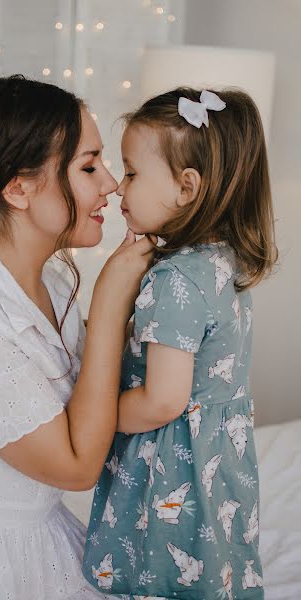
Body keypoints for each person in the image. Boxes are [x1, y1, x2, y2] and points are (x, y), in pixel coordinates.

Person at [0, 74, 155, 599]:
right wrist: (109, 304)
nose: (110, 184)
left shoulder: (54, 282)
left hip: (39, 535)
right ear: (17, 188)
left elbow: (96, 395)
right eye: (88, 166)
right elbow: (77, 466)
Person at [83, 88, 277, 600]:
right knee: (215, 568)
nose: (119, 187)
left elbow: (163, 400)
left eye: (130, 172)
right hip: (218, 467)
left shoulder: (175, 281)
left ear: (187, 187)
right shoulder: (222, 263)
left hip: (173, 471)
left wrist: (92, 416)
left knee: (165, 576)